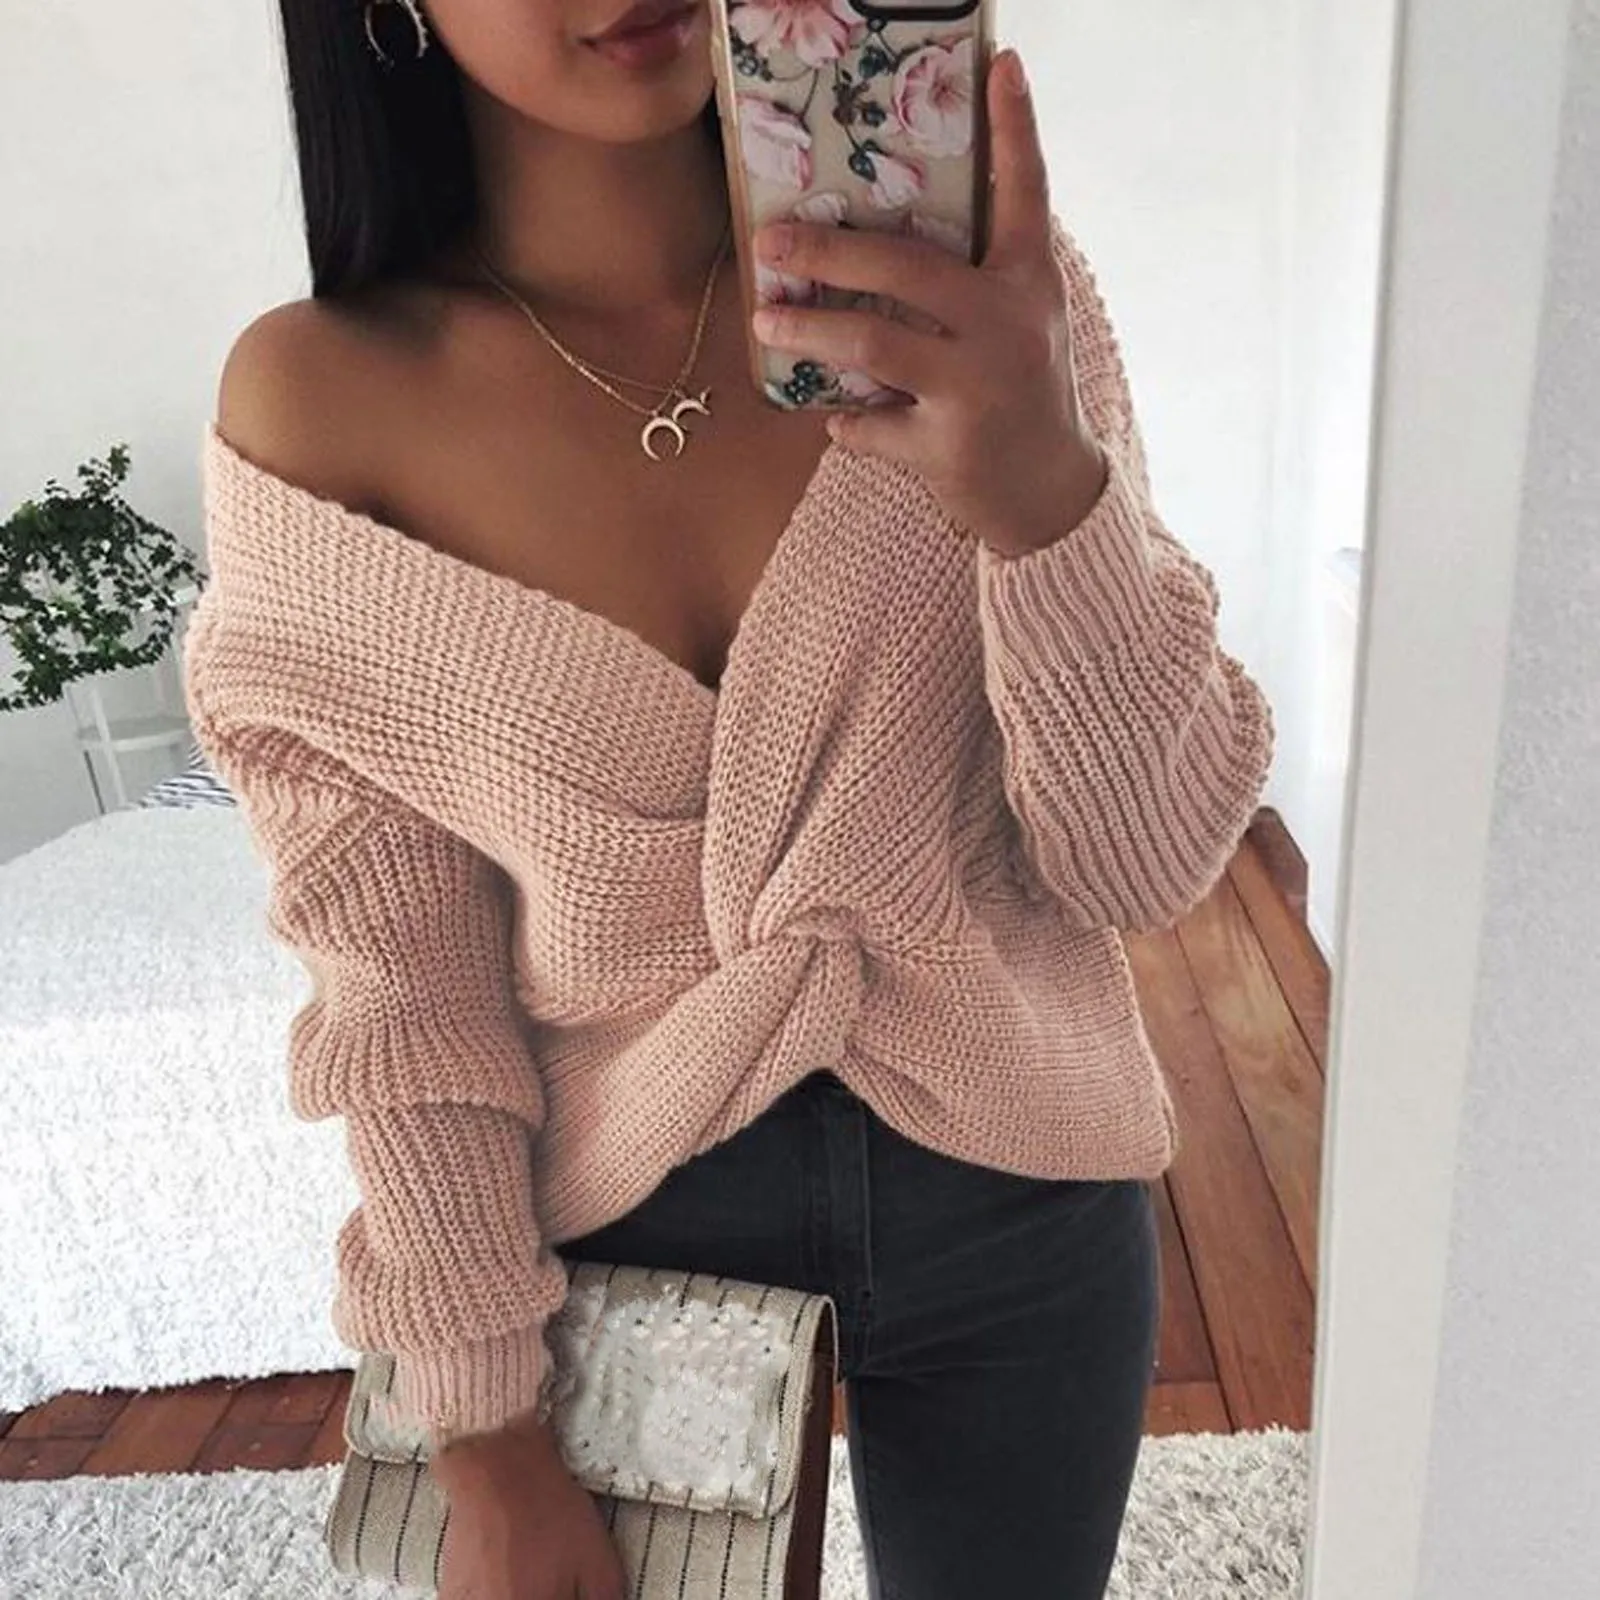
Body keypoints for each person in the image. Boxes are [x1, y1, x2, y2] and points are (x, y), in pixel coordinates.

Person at [183, 2, 1276, 1596]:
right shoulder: (323, 402)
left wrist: (1047, 494)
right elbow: (400, 986)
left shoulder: (969, 294)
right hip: (619, 1248)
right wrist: (481, 1432)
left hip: (1026, 1191)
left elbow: (1145, 866)